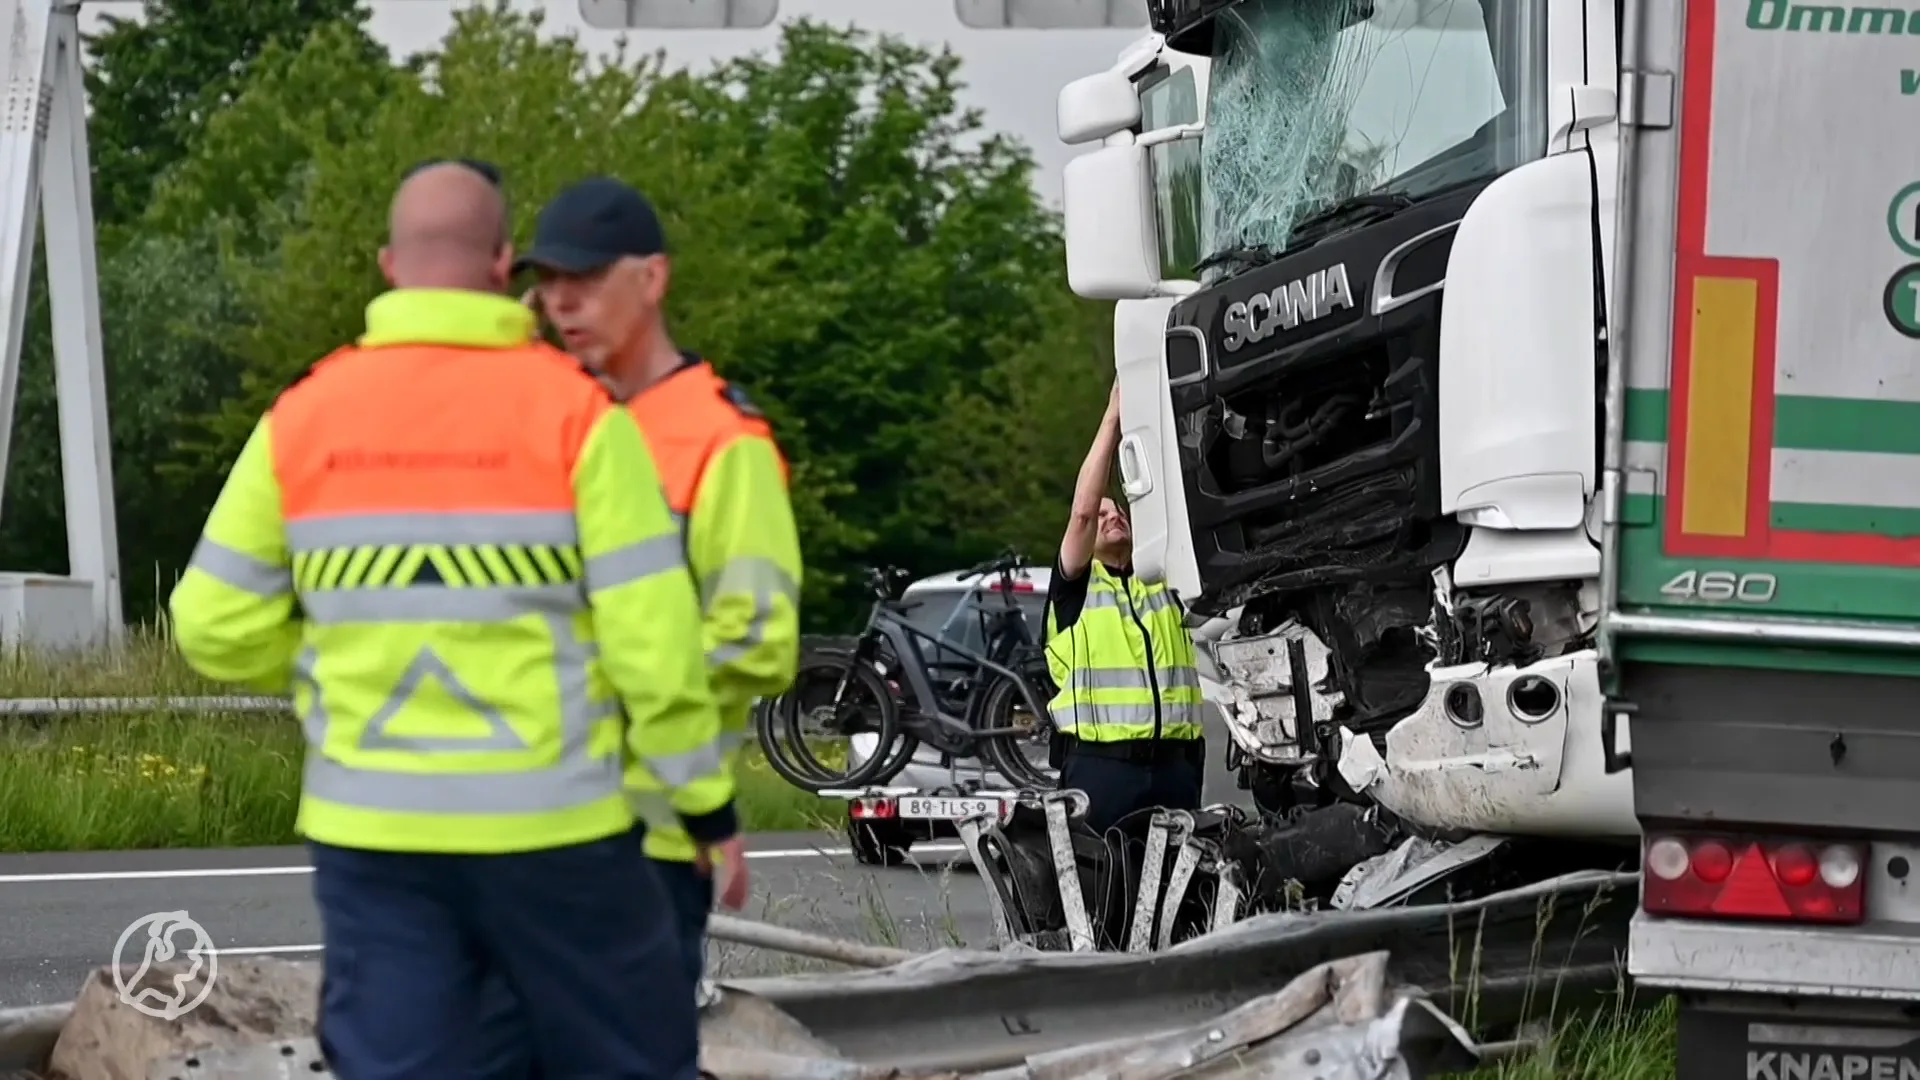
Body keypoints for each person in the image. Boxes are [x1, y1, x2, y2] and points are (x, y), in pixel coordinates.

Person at [167, 160, 737, 1080]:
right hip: (558, 828)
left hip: (375, 833)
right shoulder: (580, 415)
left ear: (390, 266)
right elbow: (656, 650)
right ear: (503, 262)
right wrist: (704, 806)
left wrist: (326, 664)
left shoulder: (302, 417)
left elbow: (209, 622)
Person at [517, 175, 800, 980]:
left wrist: (600, 689)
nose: (562, 301)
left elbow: (756, 641)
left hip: (649, 839)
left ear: (652, 278)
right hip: (524, 829)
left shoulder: (723, 442)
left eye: (584, 277)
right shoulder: (549, 423)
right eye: (547, 281)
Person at [1043, 383, 1208, 835]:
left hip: (1176, 768)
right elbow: (1082, 512)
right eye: (1103, 515)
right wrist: (1114, 418)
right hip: (1104, 770)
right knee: (1106, 879)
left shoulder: (1163, 578)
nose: (1113, 516)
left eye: (1119, 511)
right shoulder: (1074, 587)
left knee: (1179, 880)